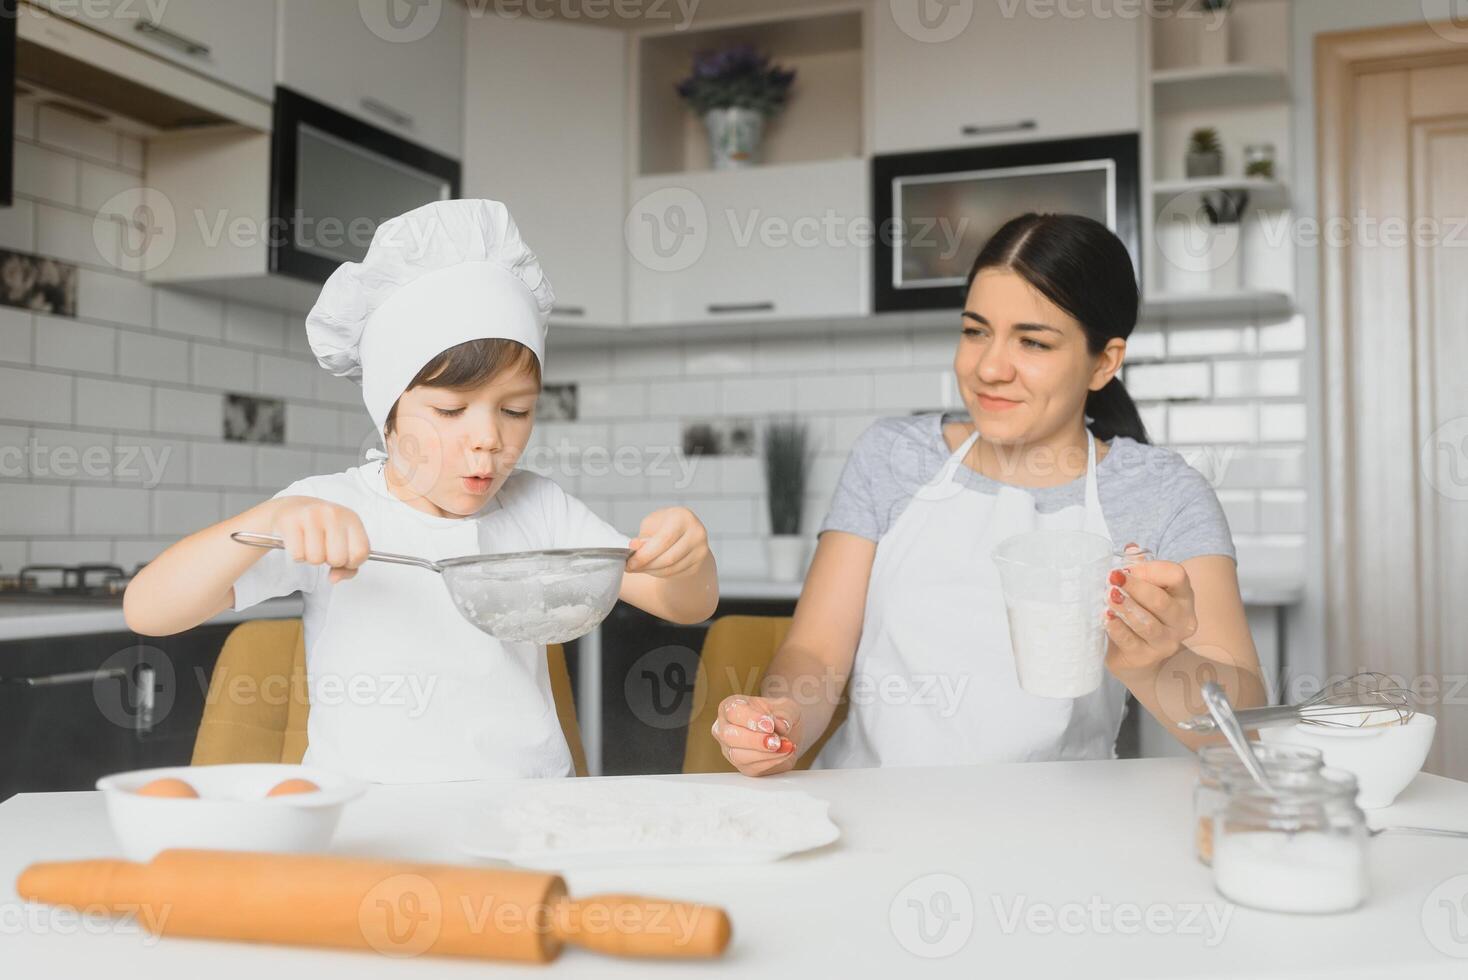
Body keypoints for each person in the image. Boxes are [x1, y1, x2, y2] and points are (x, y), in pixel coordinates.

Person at [125, 200, 718, 782]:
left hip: (525, 813)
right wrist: (274, 518)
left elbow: (685, 604)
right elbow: (148, 610)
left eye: (515, 410)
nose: (487, 439)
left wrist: (687, 558)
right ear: (389, 410)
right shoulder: (328, 511)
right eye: (451, 409)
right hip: (370, 819)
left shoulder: (539, 508)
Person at [712, 212, 1265, 774]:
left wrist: (1158, 661)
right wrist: (784, 719)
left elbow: (1241, 729)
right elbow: (816, 653)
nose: (989, 368)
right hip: (876, 812)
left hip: (1059, 831)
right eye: (976, 331)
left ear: (1104, 362)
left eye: (1033, 342)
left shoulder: (1162, 494)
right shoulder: (892, 457)